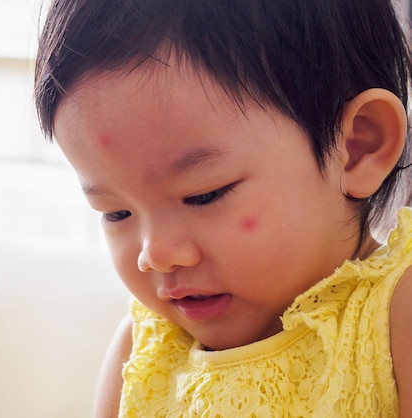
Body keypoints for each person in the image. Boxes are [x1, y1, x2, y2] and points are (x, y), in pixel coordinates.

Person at [34, 0, 412, 416]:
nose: (154, 255)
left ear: (358, 147)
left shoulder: (394, 314)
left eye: (203, 195)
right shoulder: (142, 350)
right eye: (115, 212)